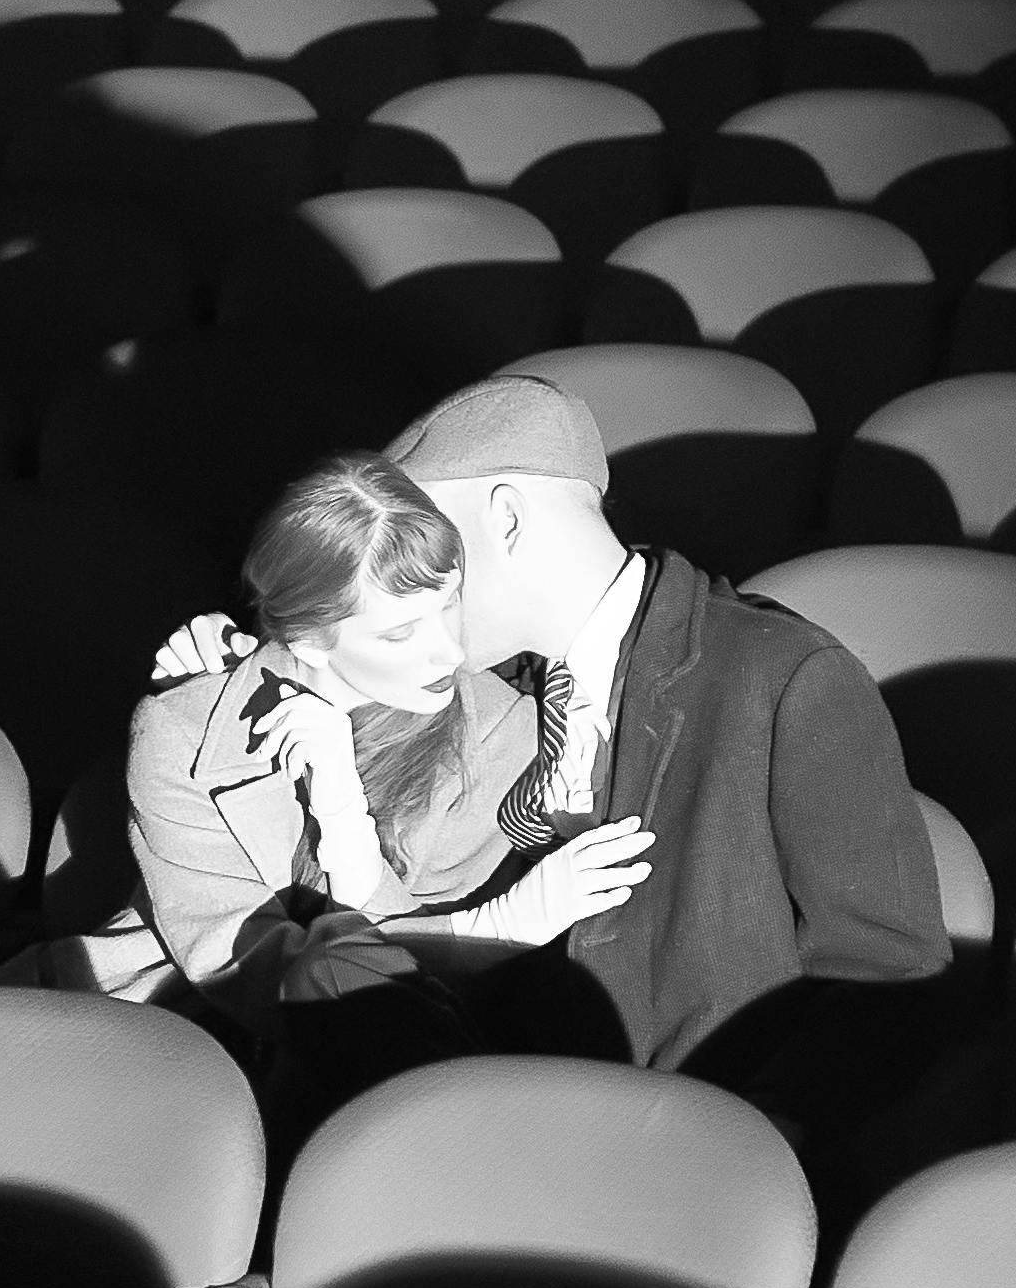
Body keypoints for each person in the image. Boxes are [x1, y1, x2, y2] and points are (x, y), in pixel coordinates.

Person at [155, 377, 948, 1081]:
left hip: (686, 1139)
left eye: (438, 561)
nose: (427, 593)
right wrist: (254, 666)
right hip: (463, 1110)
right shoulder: (480, 687)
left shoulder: (776, 675)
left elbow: (886, 971)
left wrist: (750, 1149)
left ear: (504, 521)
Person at [90, 455, 651, 1116]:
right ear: (309, 640)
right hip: (182, 1032)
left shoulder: (501, 734)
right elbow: (242, 968)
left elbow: (399, 995)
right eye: (401, 631)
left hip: (400, 1068)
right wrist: (496, 924)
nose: (448, 651)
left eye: (449, 606)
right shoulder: (183, 728)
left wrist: (343, 811)